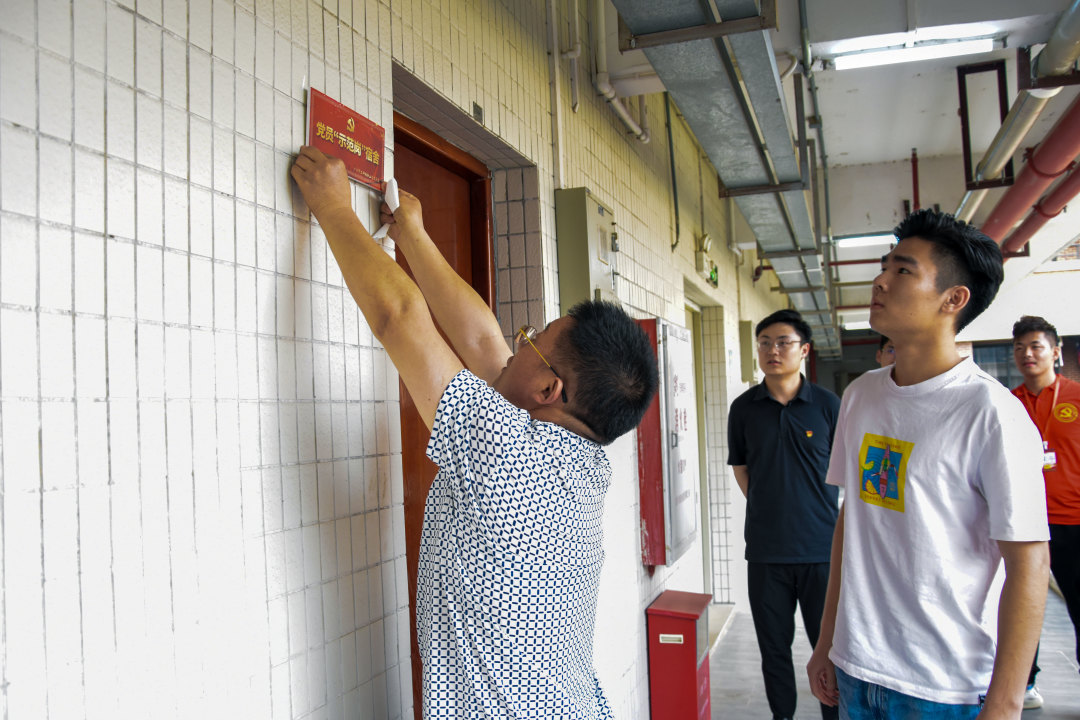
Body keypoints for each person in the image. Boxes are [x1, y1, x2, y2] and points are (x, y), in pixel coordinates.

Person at [290, 146, 658, 718]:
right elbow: (484, 343)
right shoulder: (578, 461)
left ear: (549, 389)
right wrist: (412, 236)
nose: (516, 344)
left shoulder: (512, 455)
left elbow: (399, 320)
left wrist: (333, 206)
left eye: (532, 339)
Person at [806, 209, 1050, 720]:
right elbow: (853, 520)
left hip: (944, 688)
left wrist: (1005, 703)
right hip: (857, 670)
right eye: (884, 266)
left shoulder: (992, 413)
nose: (880, 280)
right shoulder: (861, 396)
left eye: (903, 270)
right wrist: (827, 639)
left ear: (953, 299)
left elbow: (1029, 563)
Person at [728, 309, 841, 720]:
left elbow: (846, 468)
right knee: (773, 650)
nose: (772, 350)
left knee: (829, 651)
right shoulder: (744, 408)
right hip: (766, 552)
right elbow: (741, 467)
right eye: (764, 343)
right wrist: (769, 504)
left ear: (804, 350)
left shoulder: (828, 405)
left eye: (783, 342)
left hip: (822, 551)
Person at [1011, 315, 1080, 709]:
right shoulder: (1009, 403)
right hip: (1025, 522)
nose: (1027, 354)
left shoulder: (1076, 396)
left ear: (1055, 352)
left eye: (1035, 346)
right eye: (1019, 348)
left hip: (1074, 521)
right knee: (1022, 605)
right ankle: (1024, 684)